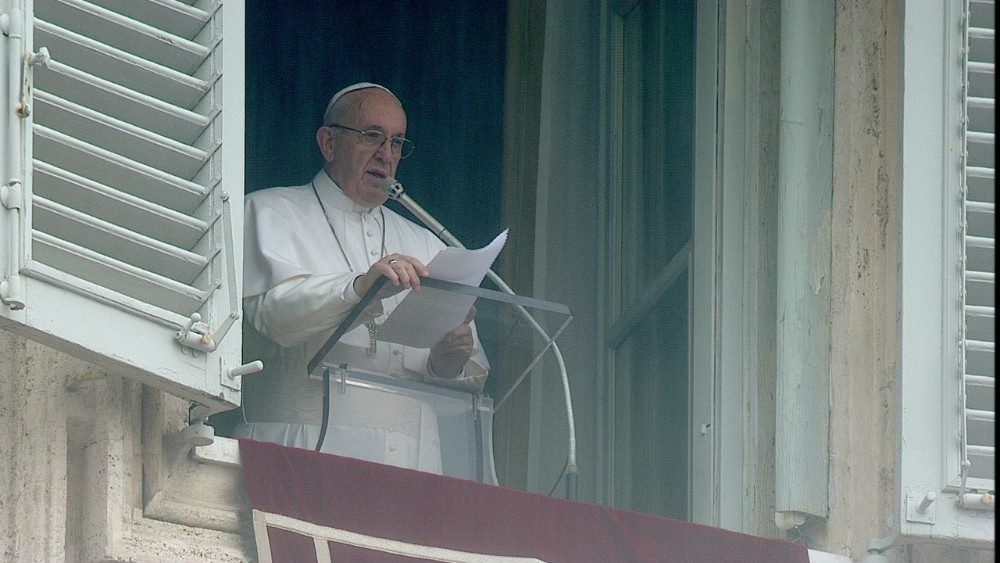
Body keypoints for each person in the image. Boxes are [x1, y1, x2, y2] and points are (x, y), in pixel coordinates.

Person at [235, 82, 488, 474]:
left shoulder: (426, 243)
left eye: (397, 142)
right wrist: (358, 289)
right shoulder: (267, 213)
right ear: (328, 143)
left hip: (411, 467)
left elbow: (467, 383)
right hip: (299, 455)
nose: (386, 154)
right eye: (372, 136)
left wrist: (444, 365)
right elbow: (274, 317)